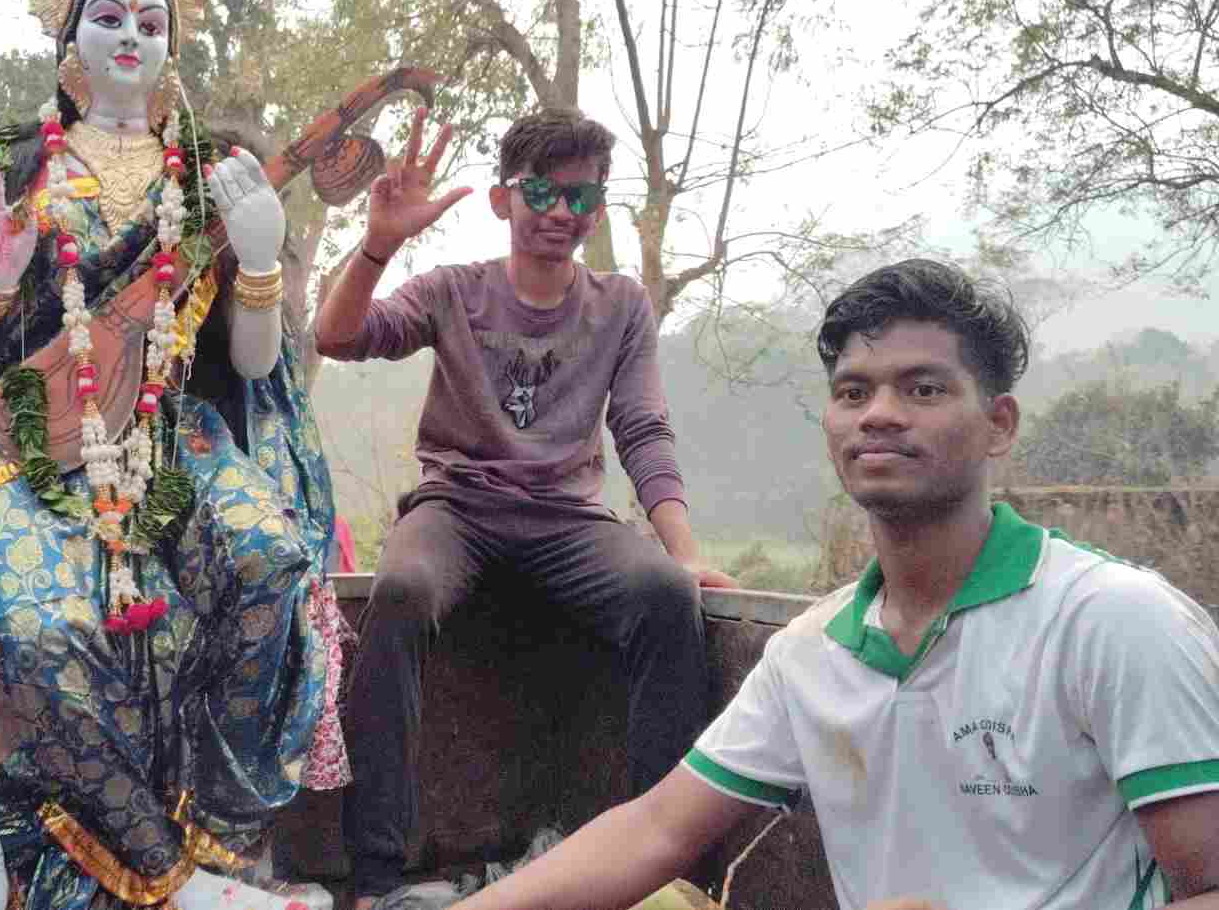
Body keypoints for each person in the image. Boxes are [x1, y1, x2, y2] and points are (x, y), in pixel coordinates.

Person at [0, 0, 361, 907]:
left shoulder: (204, 175)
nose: (128, 34)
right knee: (41, 628)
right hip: (34, 436)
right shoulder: (10, 158)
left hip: (172, 438)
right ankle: (159, 872)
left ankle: (217, 833)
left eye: (149, 21)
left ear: (171, 47)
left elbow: (257, 366)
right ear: (69, 36)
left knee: (265, 562)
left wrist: (258, 262)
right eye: (108, 16)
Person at [444, 258, 1219, 910]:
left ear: (1000, 424)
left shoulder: (1112, 622)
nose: (879, 415)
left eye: (924, 390)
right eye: (854, 392)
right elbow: (656, 830)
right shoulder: (812, 653)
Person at [313, 106, 735, 906]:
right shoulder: (453, 292)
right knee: (399, 593)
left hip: (567, 519)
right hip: (458, 505)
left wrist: (679, 552)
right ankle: (373, 880)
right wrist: (378, 243)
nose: (559, 213)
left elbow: (642, 429)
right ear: (506, 199)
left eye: (580, 196)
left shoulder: (620, 307)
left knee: (665, 599)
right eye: (541, 190)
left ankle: (662, 872)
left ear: (597, 208)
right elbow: (339, 337)